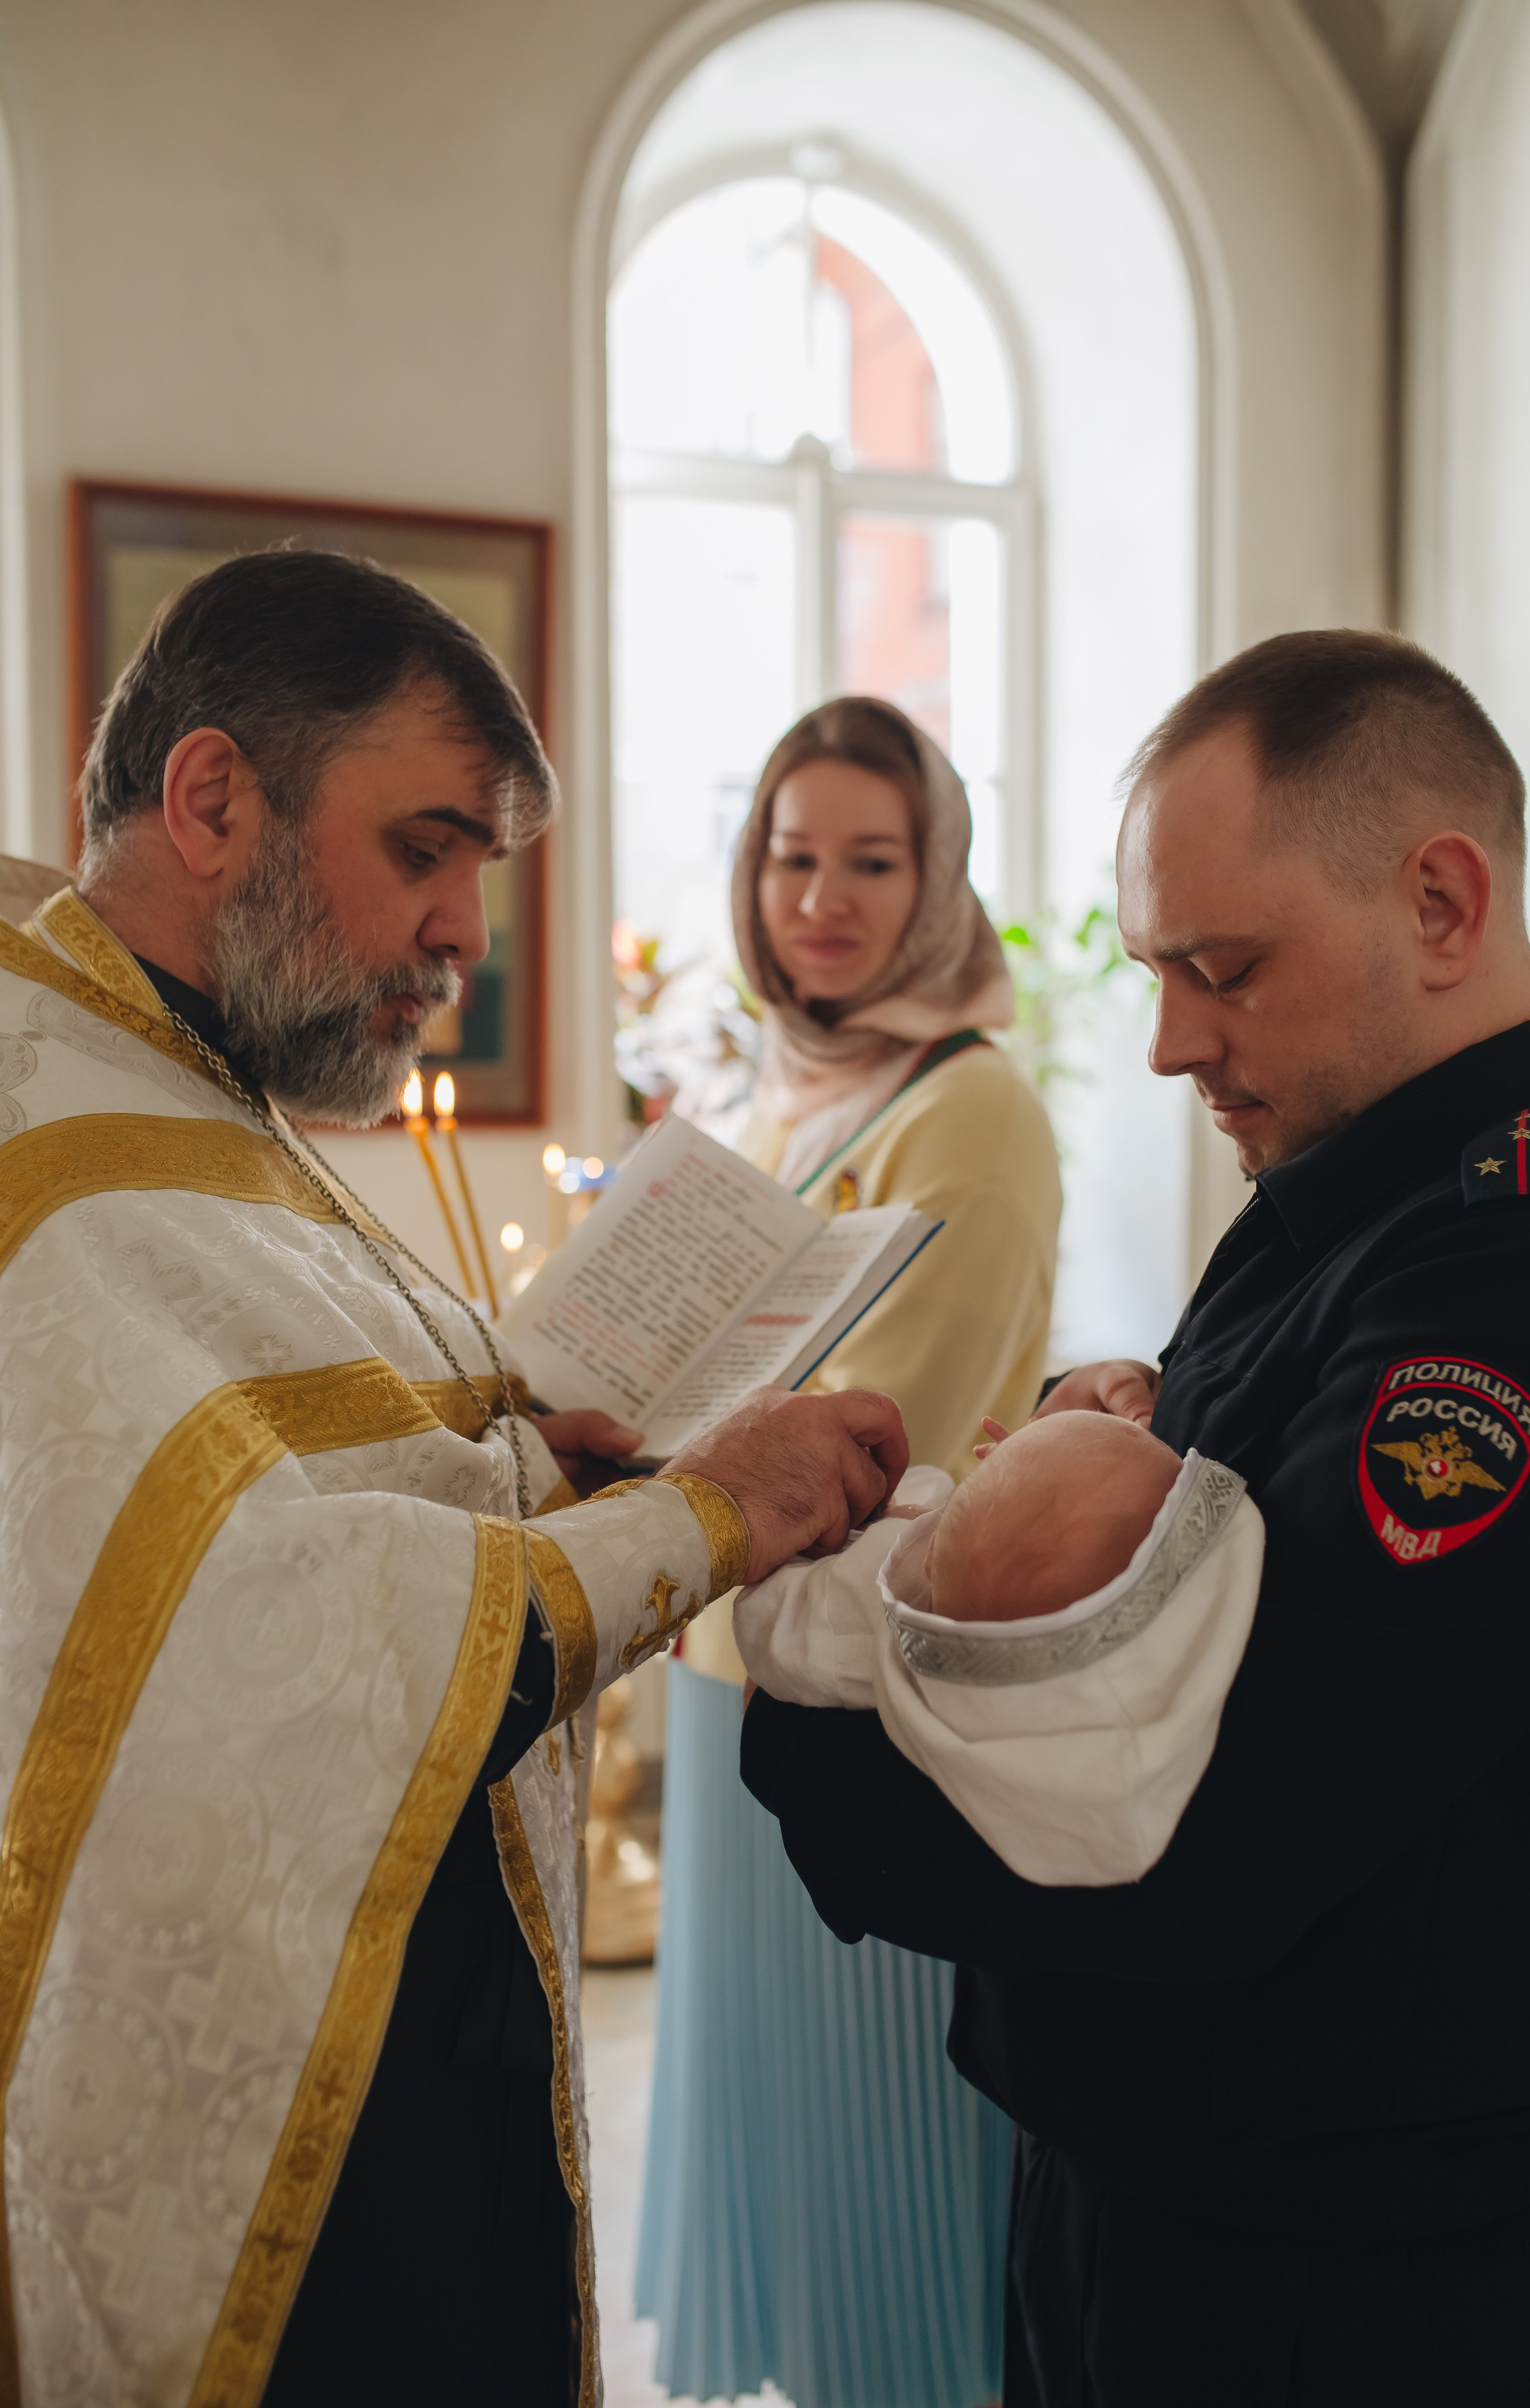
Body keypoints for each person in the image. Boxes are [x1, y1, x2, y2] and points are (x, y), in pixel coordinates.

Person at [0, 547, 908, 2408]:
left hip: (407, 2062)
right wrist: (712, 1506)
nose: (463, 933)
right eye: (422, 849)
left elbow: (297, 1486)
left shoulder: (185, 1084)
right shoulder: (54, 1153)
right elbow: (265, 1645)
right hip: (296, 2162)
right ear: (211, 795)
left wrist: (522, 1457)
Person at [743, 630, 1530, 2407]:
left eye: (1222, 968)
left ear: (1444, 901)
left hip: (1333, 2257)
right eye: (1155, 970)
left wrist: (815, 1730)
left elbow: (1221, 1806)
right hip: (1173, 2175)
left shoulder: (1522, 1264)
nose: (1167, 1042)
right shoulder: (1358, 1180)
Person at [637, 698, 1062, 2408]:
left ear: (937, 878)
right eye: (794, 856)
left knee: (877, 2170)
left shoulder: (973, 1109)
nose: (824, 896)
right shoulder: (780, 1096)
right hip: (723, 1676)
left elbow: (903, 1434)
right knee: (777, 2138)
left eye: (872, 861)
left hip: (856, 1702)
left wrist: (680, 1455)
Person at [735, 1412, 1262, 1888]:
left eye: (978, 1480)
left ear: (932, 1552)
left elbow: (765, 1621)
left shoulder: (868, 1606)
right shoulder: (1165, 1646)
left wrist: (884, 1524)